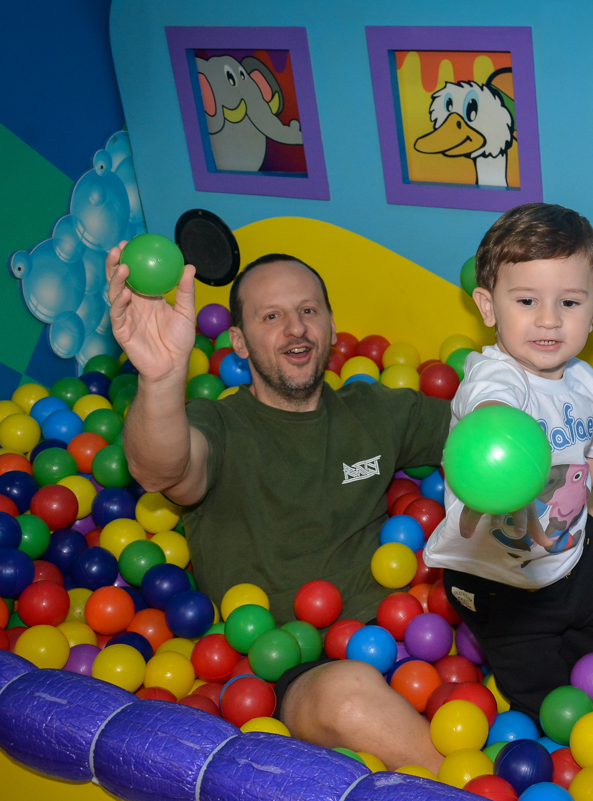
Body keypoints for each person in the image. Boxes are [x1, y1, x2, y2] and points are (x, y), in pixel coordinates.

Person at [107, 247, 451, 771]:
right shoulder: (218, 425)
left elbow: (485, 432)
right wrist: (160, 379)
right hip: (289, 665)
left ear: (330, 324)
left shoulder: (376, 410)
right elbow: (161, 470)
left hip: (418, 635)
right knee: (348, 697)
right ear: (239, 342)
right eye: (271, 317)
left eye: (308, 310)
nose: (296, 328)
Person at [423, 203, 593, 718]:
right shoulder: (495, 380)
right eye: (526, 300)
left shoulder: (584, 382)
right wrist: (495, 423)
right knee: (542, 691)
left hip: (570, 551)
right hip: (499, 579)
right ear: (488, 307)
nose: (548, 319)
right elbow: (489, 409)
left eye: (569, 302)